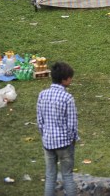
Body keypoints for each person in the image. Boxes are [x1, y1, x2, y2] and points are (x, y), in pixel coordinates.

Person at [37, 61, 78, 196]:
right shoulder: (67, 98)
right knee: (67, 175)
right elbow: (72, 125)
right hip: (64, 144)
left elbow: (40, 120)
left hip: (47, 142)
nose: (71, 80)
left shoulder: (42, 95)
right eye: (70, 78)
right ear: (65, 79)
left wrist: (45, 135)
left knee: (50, 175)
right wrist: (73, 140)